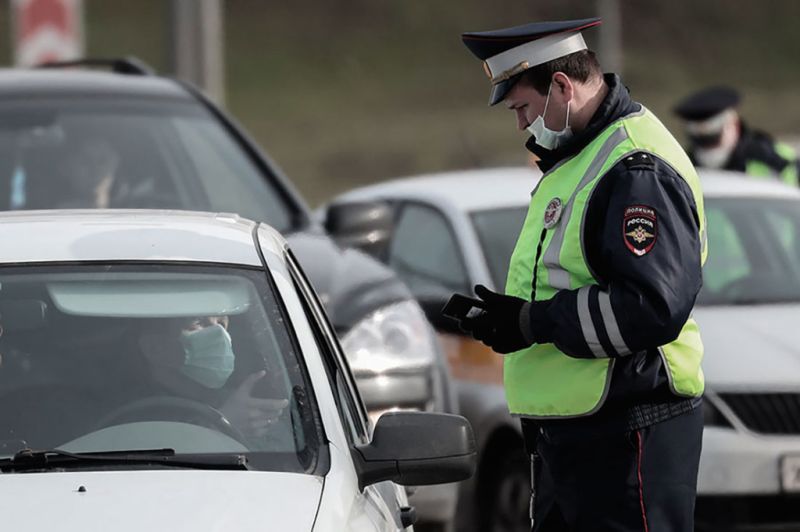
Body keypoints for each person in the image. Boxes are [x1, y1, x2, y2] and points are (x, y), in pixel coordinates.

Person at [457, 18, 706, 531]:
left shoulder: (635, 168)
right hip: (577, 438)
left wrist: (533, 323)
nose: (521, 124)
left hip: (627, 432)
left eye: (523, 108)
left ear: (562, 87)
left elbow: (650, 307)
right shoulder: (579, 156)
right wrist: (510, 319)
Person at [137, 315, 288, 442]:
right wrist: (225, 424)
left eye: (222, 323)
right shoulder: (134, 417)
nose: (220, 334)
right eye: (199, 323)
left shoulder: (244, 406)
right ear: (154, 347)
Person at [674, 85, 800, 185]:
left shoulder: (776, 159)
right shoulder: (682, 167)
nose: (708, 148)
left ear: (733, 125)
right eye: (700, 140)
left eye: (714, 138)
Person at [58, 137, 120, 208]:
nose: (95, 169)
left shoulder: (132, 209)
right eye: (86, 161)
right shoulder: (56, 214)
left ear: (116, 164)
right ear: (66, 168)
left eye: (102, 161)